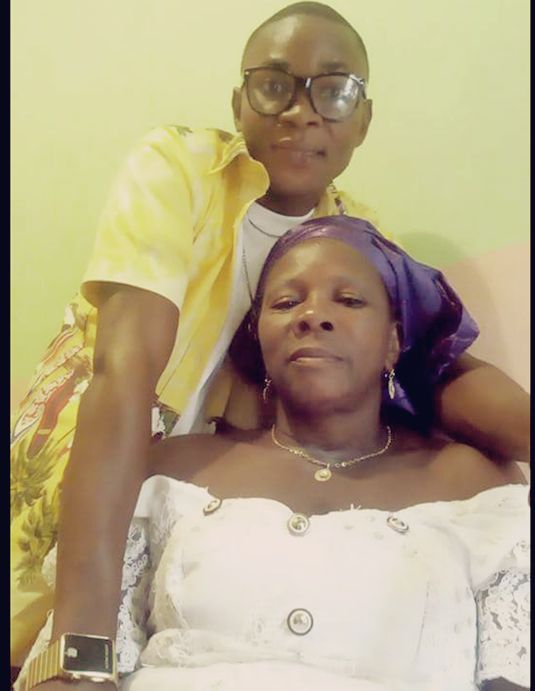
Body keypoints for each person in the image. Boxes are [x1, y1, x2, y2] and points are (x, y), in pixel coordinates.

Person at [10, 0, 530, 683]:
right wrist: (78, 649)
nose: (302, 112)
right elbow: (123, 375)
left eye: (334, 91)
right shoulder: (181, 168)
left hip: (225, 513)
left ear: (364, 119)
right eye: (275, 84)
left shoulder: (359, 234)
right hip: (99, 486)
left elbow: (431, 369)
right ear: (238, 102)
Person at [15, 216, 529, 691]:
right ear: (259, 338)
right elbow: (81, 664)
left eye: (349, 300)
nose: (313, 316)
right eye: (286, 303)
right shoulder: (173, 471)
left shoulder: (476, 488)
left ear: (393, 342)